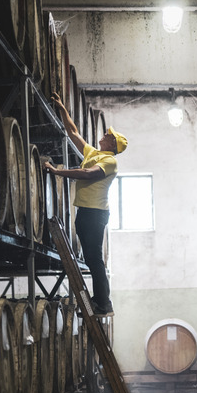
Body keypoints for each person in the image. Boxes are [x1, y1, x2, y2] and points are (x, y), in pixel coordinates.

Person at [44, 93, 127, 317]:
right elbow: (74, 132)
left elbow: (87, 174)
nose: (104, 135)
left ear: (113, 144)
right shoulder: (95, 153)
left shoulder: (110, 161)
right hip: (86, 212)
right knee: (91, 258)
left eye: (108, 135)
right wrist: (62, 108)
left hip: (95, 213)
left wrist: (57, 171)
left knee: (94, 259)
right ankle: (100, 300)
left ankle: (103, 304)